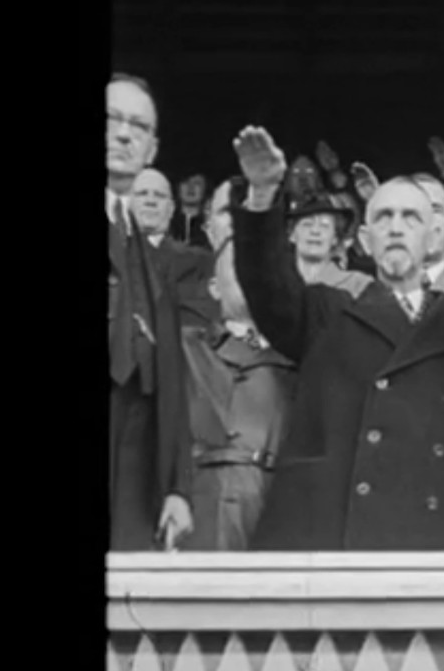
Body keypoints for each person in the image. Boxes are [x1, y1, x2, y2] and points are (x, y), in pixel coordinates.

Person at [230, 126, 444, 550]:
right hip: (335, 531)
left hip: (441, 538)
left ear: (436, 236)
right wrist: (263, 194)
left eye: (411, 217)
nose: (396, 227)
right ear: (366, 239)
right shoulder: (328, 310)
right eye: (383, 217)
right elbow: (268, 286)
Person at [106, 73, 193, 551]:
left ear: (152, 149)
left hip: (139, 460)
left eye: (138, 126)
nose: (124, 134)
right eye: (112, 120)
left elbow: (173, 376)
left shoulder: (154, 255)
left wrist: (178, 487)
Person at [179, 238, 298, 551]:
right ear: (215, 288)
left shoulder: (308, 350)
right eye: (242, 264)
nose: (254, 274)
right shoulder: (186, 347)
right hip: (204, 504)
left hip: (284, 504)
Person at [288, 194, 373, 298]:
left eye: (324, 226)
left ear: (335, 238)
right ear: (292, 235)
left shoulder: (359, 284)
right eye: (307, 224)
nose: (315, 231)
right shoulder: (275, 285)